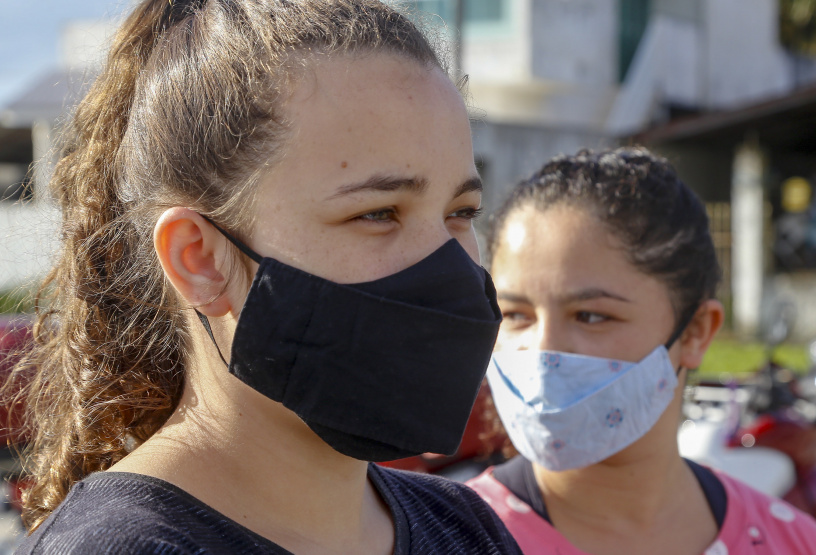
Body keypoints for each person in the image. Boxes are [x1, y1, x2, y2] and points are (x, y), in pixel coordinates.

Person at [7, 1, 521, 553]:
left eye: (462, 213)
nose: (450, 267)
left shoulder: (466, 526)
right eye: (377, 212)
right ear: (197, 258)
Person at [467, 147, 816, 555]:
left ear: (696, 332)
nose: (544, 350)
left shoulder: (793, 542)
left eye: (591, 315)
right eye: (516, 314)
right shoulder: (440, 538)